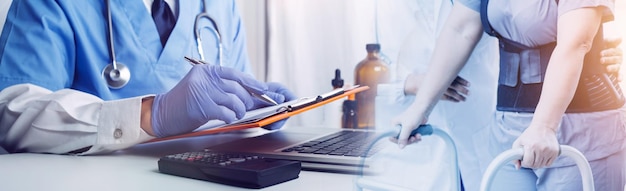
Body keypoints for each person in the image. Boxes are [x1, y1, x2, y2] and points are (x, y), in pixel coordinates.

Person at [0, 0, 295, 155]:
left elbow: (233, 106)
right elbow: (11, 112)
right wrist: (152, 114)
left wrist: (254, 112)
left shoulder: (221, 5)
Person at [393, 0, 625, 190]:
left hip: (581, 132)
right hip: (509, 131)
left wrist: (544, 127)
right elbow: (460, 29)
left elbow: (576, 43)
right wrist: (419, 108)